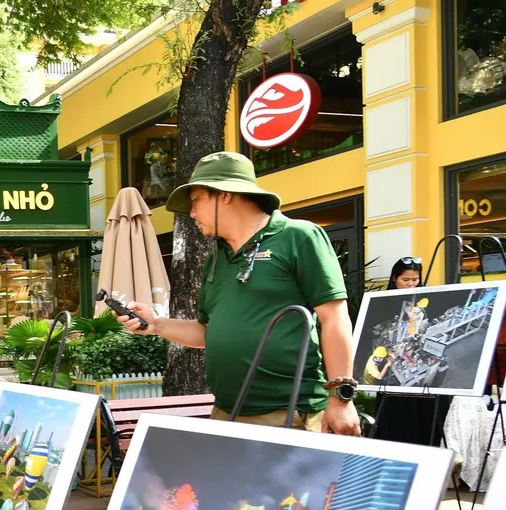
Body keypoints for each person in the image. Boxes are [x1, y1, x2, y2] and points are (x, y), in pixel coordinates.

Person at [114, 152, 361, 435]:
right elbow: (208, 331)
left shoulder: (298, 237)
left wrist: (341, 399)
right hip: (227, 412)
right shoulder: (217, 258)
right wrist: (156, 324)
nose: (191, 212)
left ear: (225, 194)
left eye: (196, 201)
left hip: (289, 412)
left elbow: (334, 317)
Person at [373, 257, 451, 445]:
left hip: (420, 372)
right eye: (405, 280)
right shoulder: (381, 303)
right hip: (392, 379)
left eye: (415, 279)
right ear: (394, 278)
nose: (411, 284)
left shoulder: (427, 300)